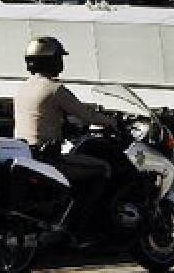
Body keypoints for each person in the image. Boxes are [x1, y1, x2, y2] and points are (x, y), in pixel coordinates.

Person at [13, 36, 114, 239]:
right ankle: (81, 228)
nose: (61, 63)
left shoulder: (23, 88)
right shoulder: (55, 89)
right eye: (59, 58)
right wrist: (112, 122)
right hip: (48, 157)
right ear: (50, 61)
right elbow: (85, 115)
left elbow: (43, 117)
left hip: (25, 155)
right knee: (102, 169)